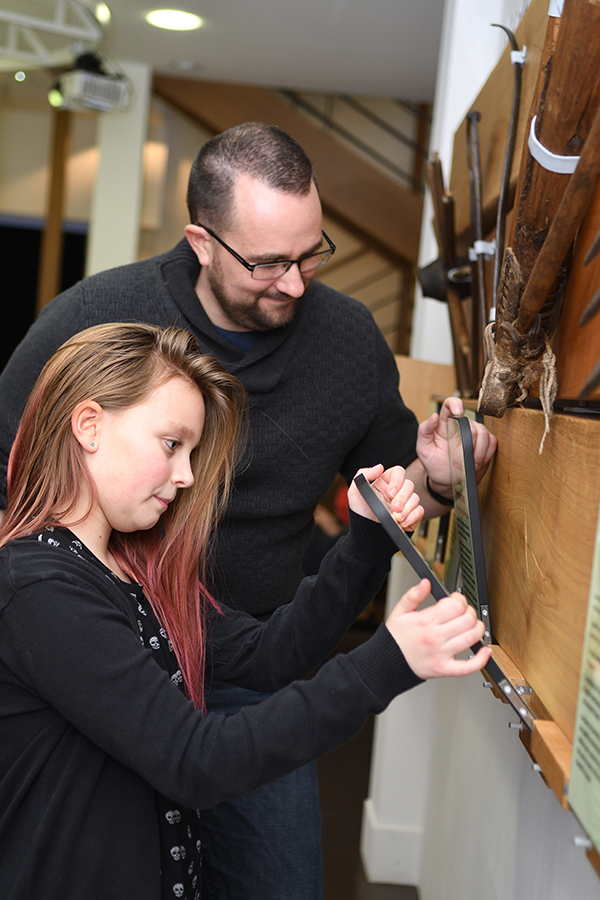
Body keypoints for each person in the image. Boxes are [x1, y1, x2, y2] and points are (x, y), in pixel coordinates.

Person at [0, 123, 497, 898]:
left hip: (218, 641)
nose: (295, 283)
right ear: (202, 242)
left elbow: (276, 650)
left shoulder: (149, 572)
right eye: (268, 262)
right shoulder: (94, 320)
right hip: (83, 644)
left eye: (310, 254)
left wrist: (425, 488)